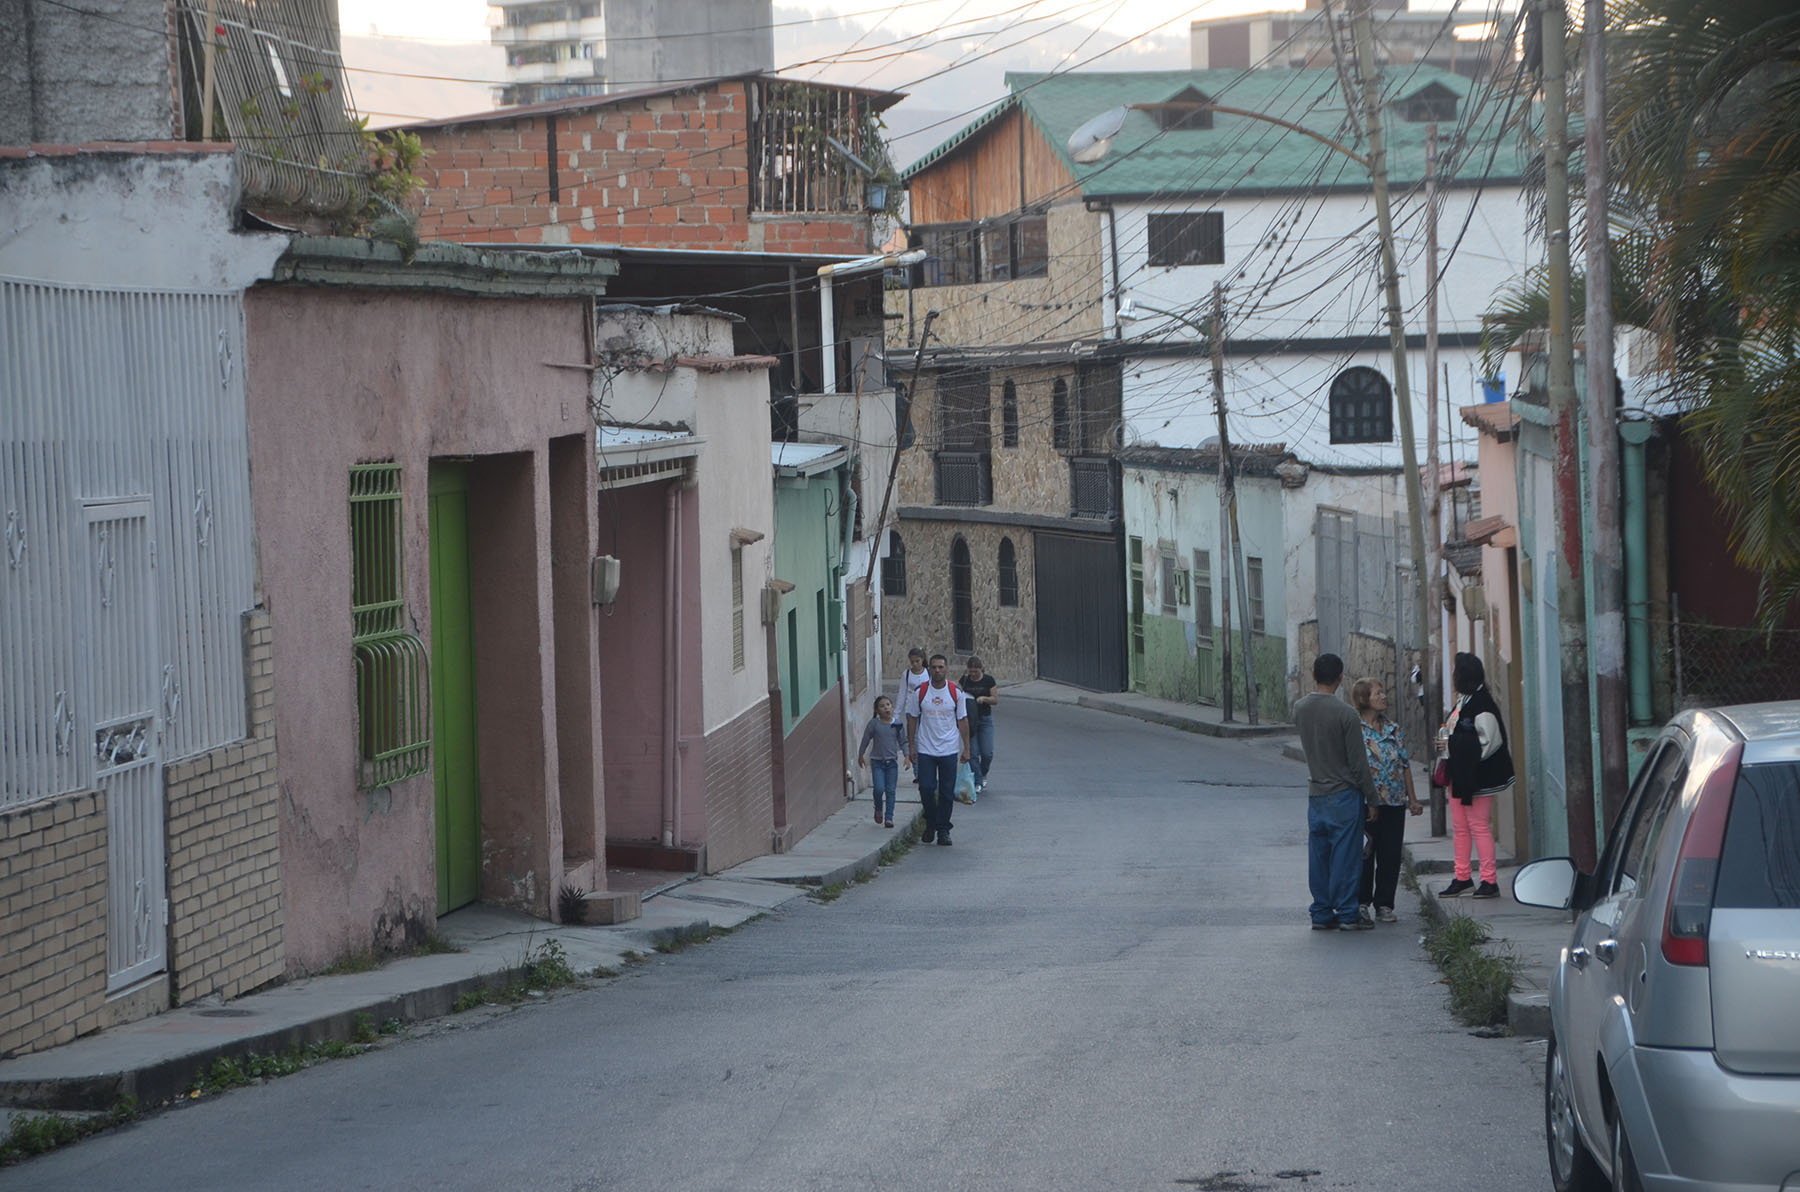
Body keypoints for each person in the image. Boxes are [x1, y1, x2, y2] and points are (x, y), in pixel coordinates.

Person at [1292, 653, 1379, 931]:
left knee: (1319, 855)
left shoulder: (1300, 708)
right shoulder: (1346, 714)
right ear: (1340, 678)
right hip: (1344, 794)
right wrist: (1372, 798)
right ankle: (1346, 912)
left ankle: (1320, 911)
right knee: (1345, 856)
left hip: (1316, 792)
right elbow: (1358, 763)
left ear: (1314, 674)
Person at [1439, 652, 1513, 899]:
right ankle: (1462, 877)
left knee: (1478, 826)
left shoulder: (1481, 705)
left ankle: (1489, 880)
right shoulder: (1466, 700)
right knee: (1461, 827)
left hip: (1477, 776)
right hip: (1460, 775)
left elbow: (1488, 742)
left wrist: (1451, 745)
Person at [1351, 676, 1424, 923]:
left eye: (1383, 692)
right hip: (1365, 803)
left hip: (1393, 802)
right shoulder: (1354, 729)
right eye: (1377, 693)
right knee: (1365, 854)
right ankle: (1361, 902)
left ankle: (1384, 904)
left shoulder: (1394, 729)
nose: (1383, 697)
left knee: (1390, 854)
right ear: (1364, 699)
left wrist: (1412, 800)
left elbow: (1404, 765)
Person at [905, 653, 969, 846]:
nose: (937, 670)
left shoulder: (956, 693)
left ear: (946, 669)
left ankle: (943, 830)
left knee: (947, 792)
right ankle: (931, 822)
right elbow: (912, 719)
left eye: (941, 667)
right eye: (934, 667)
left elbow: (963, 721)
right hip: (926, 748)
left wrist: (967, 748)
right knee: (926, 788)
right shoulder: (921, 692)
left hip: (949, 749)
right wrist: (911, 746)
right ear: (929, 669)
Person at [858, 695, 906, 829]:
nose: (886, 708)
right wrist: (861, 754)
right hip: (877, 762)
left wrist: (907, 756)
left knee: (891, 790)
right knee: (879, 789)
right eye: (882, 706)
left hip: (892, 764)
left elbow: (903, 741)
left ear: (892, 707)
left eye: (888, 705)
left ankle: (889, 817)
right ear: (877, 710)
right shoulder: (874, 724)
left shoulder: (897, 724)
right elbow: (866, 739)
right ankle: (878, 807)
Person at [958, 655, 999, 793]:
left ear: (981, 669)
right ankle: (978, 781)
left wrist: (985, 698)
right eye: (971, 671)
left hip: (985, 719)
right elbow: (957, 695)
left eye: (976, 671)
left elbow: (995, 699)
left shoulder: (988, 680)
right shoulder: (964, 680)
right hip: (970, 720)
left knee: (987, 753)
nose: (973, 674)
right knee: (973, 753)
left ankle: (982, 772)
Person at [896, 647, 928, 786]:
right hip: (911, 711)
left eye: (917, 661)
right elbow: (902, 694)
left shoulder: (929, 674)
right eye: (912, 661)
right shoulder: (907, 675)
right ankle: (917, 773)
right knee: (913, 741)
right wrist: (896, 714)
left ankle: (926, 770)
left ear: (922, 660)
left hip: (926, 711)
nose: (915, 664)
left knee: (925, 740)